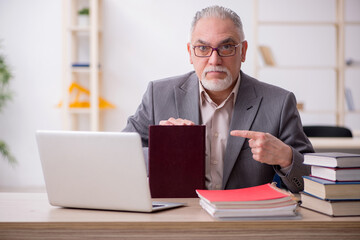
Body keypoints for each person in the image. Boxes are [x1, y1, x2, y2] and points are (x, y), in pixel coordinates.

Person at [123, 5, 314, 193]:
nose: (214, 60)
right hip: (180, 218)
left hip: (247, 219)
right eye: (203, 48)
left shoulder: (279, 103)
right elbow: (122, 155)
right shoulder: (158, 95)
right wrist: (163, 149)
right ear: (190, 52)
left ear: (243, 51)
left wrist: (287, 158)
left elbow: (312, 180)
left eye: (227, 47)